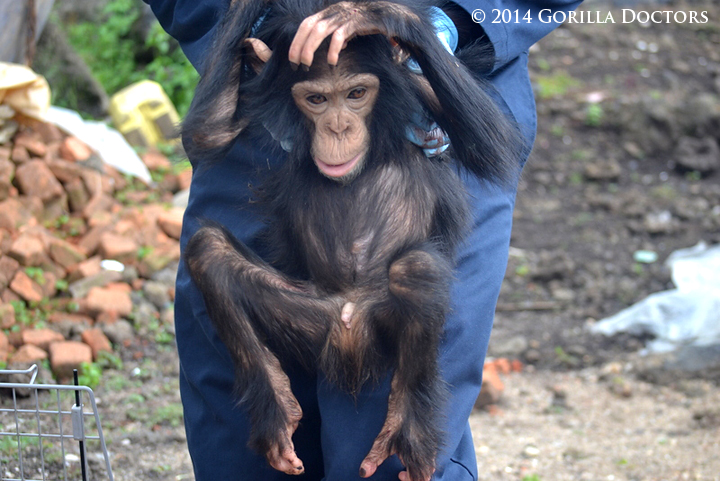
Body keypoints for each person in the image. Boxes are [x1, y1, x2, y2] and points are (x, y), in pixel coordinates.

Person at [143, 1, 582, 479]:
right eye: (319, 102)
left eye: (354, 97)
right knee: (245, 445)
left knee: (391, 451)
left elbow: (487, 146)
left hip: (423, 116)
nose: (337, 124)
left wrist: (439, 29)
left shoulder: (420, 90)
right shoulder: (270, 81)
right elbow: (203, 135)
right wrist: (249, 39)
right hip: (263, 119)